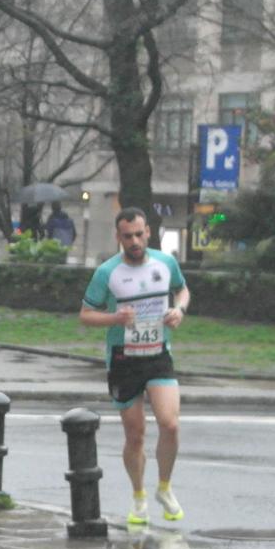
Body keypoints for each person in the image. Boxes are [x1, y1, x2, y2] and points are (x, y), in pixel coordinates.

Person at [79, 207, 190, 526]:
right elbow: (85, 314)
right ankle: (139, 495)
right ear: (119, 237)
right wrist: (114, 318)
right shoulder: (107, 272)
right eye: (128, 236)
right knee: (136, 434)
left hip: (158, 354)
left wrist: (179, 310)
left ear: (148, 233)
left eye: (139, 234)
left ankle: (164, 487)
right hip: (124, 358)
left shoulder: (165, 263)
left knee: (170, 424)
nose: (134, 241)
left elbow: (182, 289)